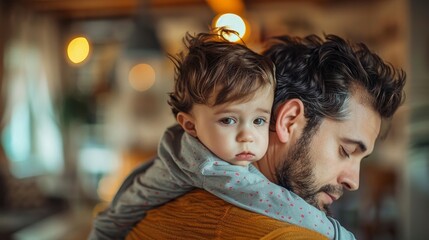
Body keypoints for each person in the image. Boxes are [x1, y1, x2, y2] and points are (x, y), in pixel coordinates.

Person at [119, 33, 406, 239]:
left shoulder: (177, 199)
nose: (353, 181)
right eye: (346, 150)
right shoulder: (284, 233)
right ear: (290, 120)